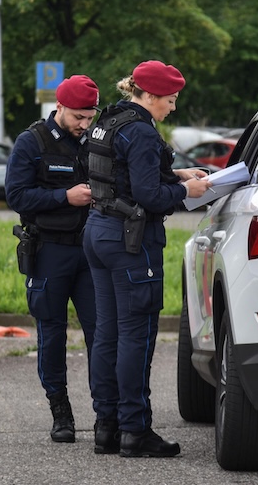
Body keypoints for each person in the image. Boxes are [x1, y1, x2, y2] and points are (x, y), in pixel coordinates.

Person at [83, 60, 210, 458]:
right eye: (170, 100)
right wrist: (189, 192)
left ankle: (107, 427)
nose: (172, 107)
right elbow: (148, 195)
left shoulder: (110, 119)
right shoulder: (140, 131)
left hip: (98, 231)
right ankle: (135, 431)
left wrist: (176, 174)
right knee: (136, 336)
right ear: (151, 96)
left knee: (107, 333)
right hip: (131, 241)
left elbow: (120, 175)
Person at [4, 75, 102, 444]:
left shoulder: (94, 140)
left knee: (102, 334)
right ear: (59, 108)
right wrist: (65, 197)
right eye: (78, 116)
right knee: (52, 332)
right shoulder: (33, 142)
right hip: (50, 251)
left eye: (89, 117)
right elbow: (17, 196)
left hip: (90, 251)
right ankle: (60, 410)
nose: (83, 124)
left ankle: (104, 412)